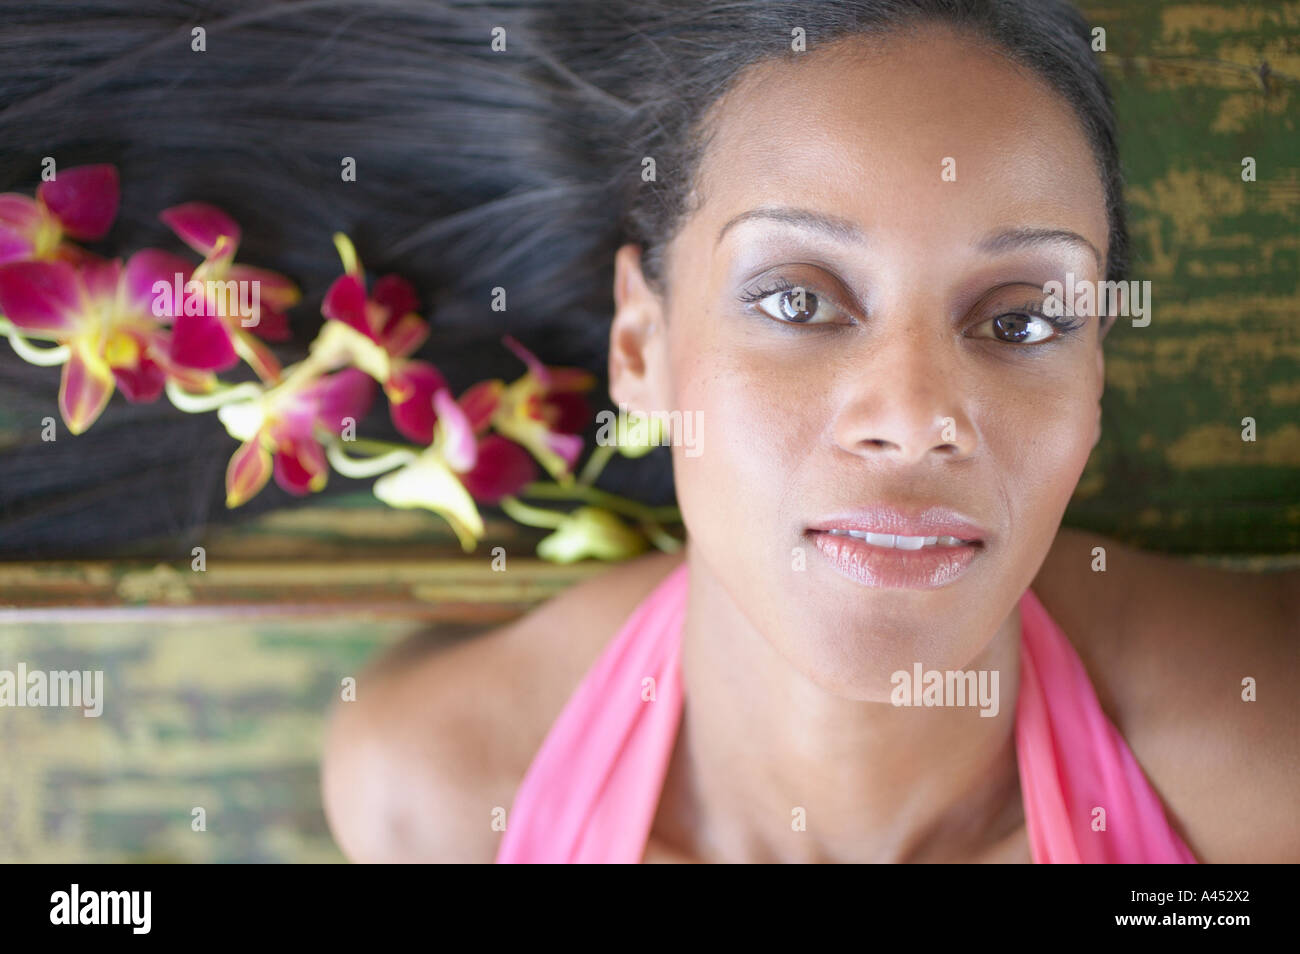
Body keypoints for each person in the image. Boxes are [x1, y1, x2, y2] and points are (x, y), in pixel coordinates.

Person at [316, 2, 1298, 863]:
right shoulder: (437, 806)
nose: (916, 421)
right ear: (641, 343)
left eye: (1021, 322)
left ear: (1093, 372)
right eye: (796, 300)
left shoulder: (1259, 780)